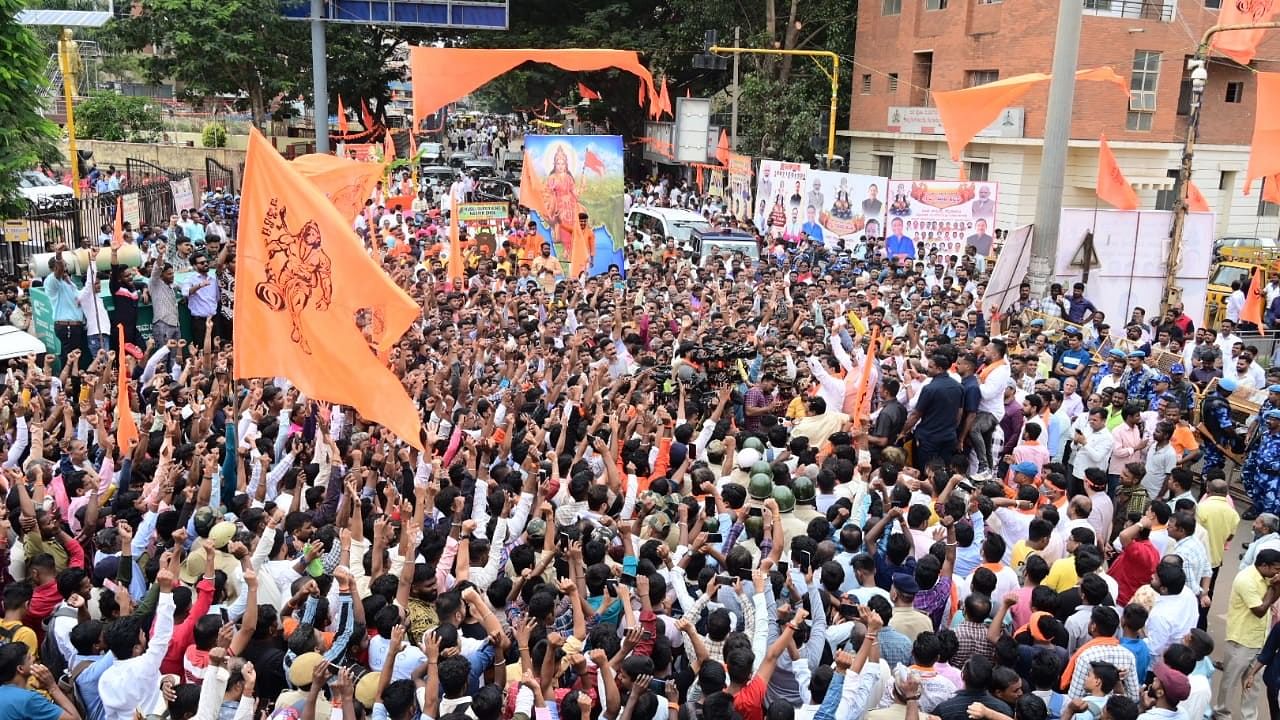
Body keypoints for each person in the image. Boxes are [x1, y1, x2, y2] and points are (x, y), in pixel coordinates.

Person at [1213, 548, 1280, 720]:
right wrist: (1274, 587)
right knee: (1231, 681)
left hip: (1259, 640)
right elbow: (1259, 610)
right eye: (1277, 569)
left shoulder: (1267, 577)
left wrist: (1275, 585)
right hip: (1241, 640)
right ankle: (1222, 714)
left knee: (1253, 684)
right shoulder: (1246, 579)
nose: (1278, 572)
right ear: (1264, 566)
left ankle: (1249, 717)